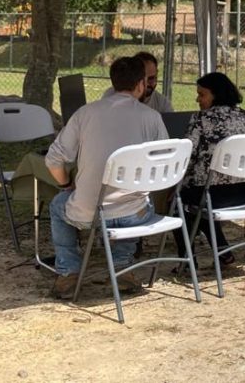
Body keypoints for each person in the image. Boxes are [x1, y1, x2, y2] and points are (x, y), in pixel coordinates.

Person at [46, 56, 169, 299]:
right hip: (134, 214)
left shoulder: (84, 114)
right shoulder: (152, 117)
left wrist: (65, 185)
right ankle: (122, 266)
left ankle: (69, 271)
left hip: (88, 212)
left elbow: (53, 160)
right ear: (141, 84)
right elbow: (165, 165)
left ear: (112, 82)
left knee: (57, 206)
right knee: (143, 201)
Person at [179, 72, 245, 267]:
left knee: (180, 202)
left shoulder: (201, 120)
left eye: (202, 94)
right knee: (200, 201)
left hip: (212, 195)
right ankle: (223, 251)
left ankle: (186, 260)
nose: (198, 99)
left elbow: (187, 157)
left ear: (217, 95)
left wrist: (176, 184)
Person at [100, 50, 173, 113]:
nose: (146, 83)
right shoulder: (111, 96)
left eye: (151, 78)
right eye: (142, 78)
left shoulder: (162, 104)